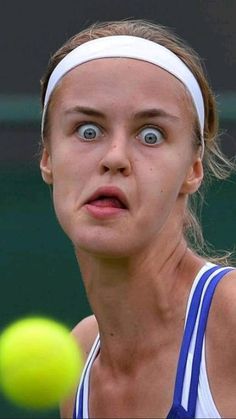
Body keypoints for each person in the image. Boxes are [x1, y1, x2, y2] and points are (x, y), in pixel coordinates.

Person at [39, 19, 236, 419]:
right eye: (87, 130)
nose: (114, 157)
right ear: (47, 158)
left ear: (192, 169)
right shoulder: (78, 363)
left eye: (151, 135)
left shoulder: (232, 321)